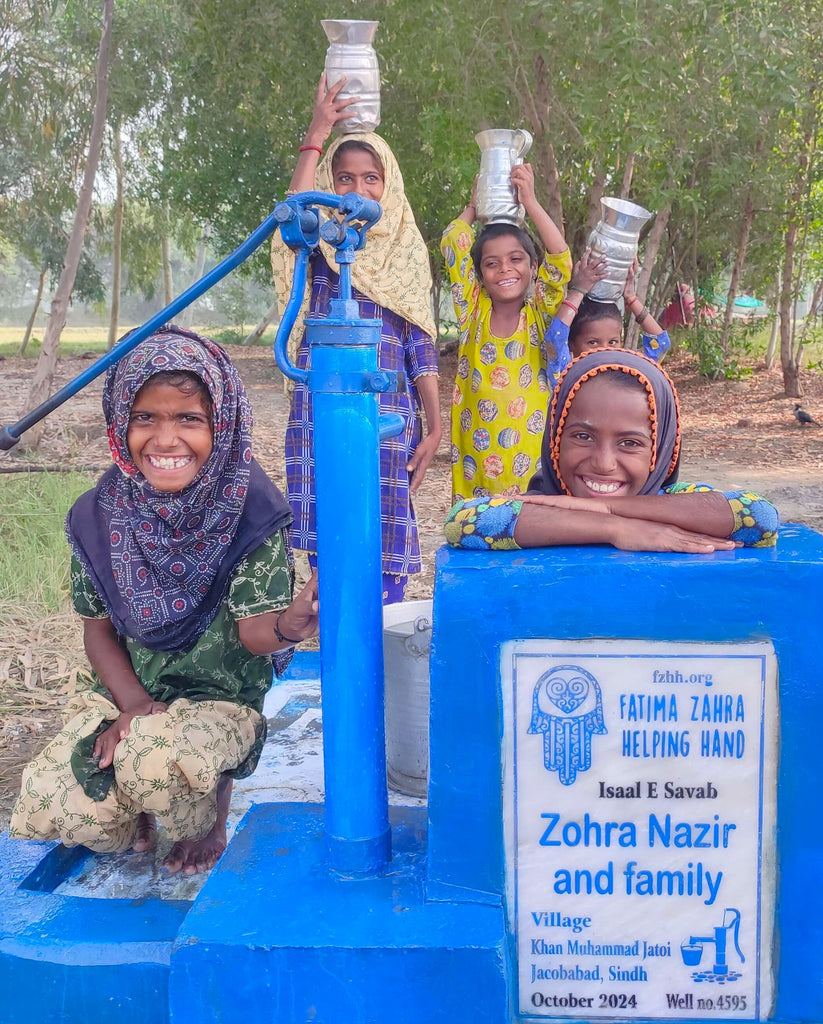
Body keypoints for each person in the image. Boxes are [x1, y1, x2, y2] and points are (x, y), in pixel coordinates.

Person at [10, 327, 319, 875]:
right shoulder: (97, 514)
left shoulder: (249, 506)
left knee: (156, 765)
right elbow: (98, 629)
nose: (166, 438)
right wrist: (131, 704)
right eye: (145, 418)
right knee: (54, 807)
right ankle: (138, 802)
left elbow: (254, 635)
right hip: (124, 691)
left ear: (221, 425)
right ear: (119, 423)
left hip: (214, 702)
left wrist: (295, 621)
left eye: (189, 419)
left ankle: (207, 816)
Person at [271, 76, 441, 605]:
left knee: (384, 524)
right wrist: (317, 131)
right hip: (321, 403)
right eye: (344, 178)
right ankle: (335, 635)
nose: (358, 190)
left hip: (387, 408)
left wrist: (434, 427)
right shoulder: (319, 245)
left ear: (389, 186)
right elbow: (290, 220)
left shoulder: (407, 250)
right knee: (331, 524)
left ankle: (381, 642)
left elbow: (421, 345)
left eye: (371, 178)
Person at [444, 349, 779, 552]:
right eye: (583, 437)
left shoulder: (672, 500)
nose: (603, 463)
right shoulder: (536, 502)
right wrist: (616, 528)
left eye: (629, 443)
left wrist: (605, 506)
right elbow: (462, 521)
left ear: (661, 450)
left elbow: (761, 517)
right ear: (554, 438)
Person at [441, 169, 572, 502]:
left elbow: (560, 261)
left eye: (516, 260)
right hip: (476, 458)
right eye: (492, 264)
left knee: (528, 529)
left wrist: (530, 201)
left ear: (532, 267)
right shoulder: (472, 311)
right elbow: (453, 239)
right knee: (480, 530)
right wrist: (474, 205)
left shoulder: (540, 316)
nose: (505, 271)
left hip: (531, 461)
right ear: (480, 274)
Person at [548, 252, 671, 362]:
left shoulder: (625, 372)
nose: (604, 350)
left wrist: (631, 298)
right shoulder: (565, 374)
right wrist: (578, 291)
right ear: (571, 344)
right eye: (593, 342)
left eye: (613, 342)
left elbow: (660, 344)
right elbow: (554, 339)